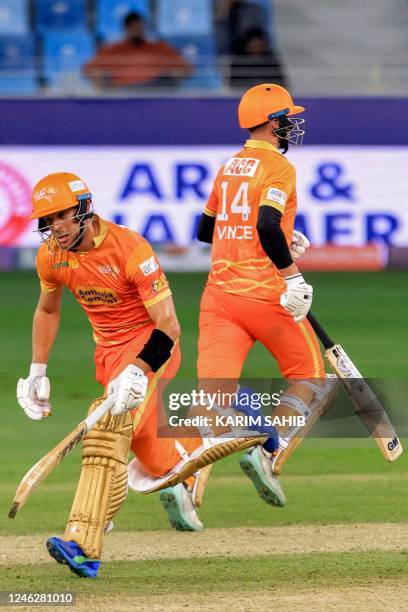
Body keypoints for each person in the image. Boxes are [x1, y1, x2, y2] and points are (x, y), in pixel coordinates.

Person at [17, 171, 276, 577]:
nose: (55, 227)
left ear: (84, 208)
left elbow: (169, 325)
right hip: (108, 358)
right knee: (160, 465)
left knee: (106, 432)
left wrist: (139, 369)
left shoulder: (129, 247)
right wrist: (36, 371)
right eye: (47, 221)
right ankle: (237, 416)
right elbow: (47, 310)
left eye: (62, 216)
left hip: (150, 349)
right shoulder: (51, 255)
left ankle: (84, 542)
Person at [159, 83, 338, 530]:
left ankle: (183, 484)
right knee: (311, 378)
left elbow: (206, 230)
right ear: (273, 122)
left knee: (212, 399)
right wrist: (292, 273)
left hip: (218, 299)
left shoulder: (228, 167)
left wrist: (283, 237)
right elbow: (264, 222)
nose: (293, 125)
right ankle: (267, 450)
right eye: (288, 118)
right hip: (266, 295)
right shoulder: (277, 165)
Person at [84, 11, 192, 89]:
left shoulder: (160, 47)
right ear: (126, 29)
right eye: (133, 27)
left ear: (144, 27)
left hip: (155, 91)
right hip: (123, 92)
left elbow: (185, 68)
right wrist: (103, 85)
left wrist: (174, 80)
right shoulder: (112, 49)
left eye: (139, 27)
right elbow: (90, 69)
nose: (136, 30)